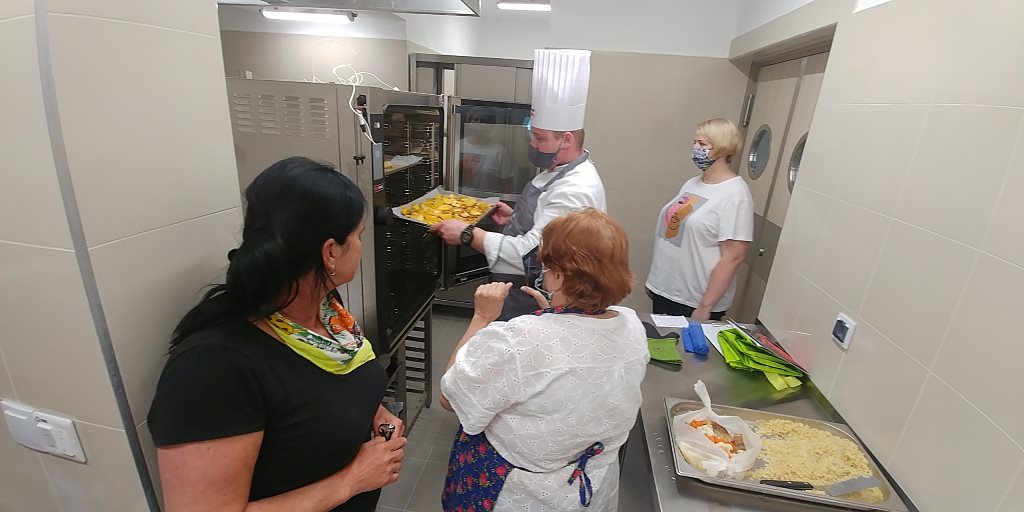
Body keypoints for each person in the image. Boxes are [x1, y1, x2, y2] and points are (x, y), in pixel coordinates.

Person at [148, 157, 406, 511]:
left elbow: (324, 388)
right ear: (331, 252)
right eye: (358, 236)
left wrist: (373, 412)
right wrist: (350, 480)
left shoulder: (326, 308)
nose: (361, 247)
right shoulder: (214, 367)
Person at [438, 208, 649, 512]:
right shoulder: (631, 324)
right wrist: (553, 313)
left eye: (547, 268)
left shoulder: (517, 340)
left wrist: (482, 317)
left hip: (522, 494)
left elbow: (449, 397)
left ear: (559, 276)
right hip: (589, 485)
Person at [431, 49, 605, 321]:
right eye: (532, 136)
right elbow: (545, 223)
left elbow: (533, 254)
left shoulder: (575, 189)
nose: (532, 145)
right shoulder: (558, 169)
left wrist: (468, 235)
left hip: (533, 293)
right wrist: (515, 219)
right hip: (518, 285)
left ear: (567, 140)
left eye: (539, 138)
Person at [645, 118, 754, 321]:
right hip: (665, 291)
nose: (695, 148)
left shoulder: (736, 195)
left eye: (702, 144)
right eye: (695, 142)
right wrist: (656, 281)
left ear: (722, 148)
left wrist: (705, 306)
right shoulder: (692, 184)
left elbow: (734, 257)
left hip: (694, 302)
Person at [459, 106, 513, 195]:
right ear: (469, 122)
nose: (479, 123)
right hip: (460, 201)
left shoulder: (499, 152)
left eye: (484, 120)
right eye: (475, 119)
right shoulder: (459, 145)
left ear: (491, 125)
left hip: (488, 201)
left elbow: (507, 185)